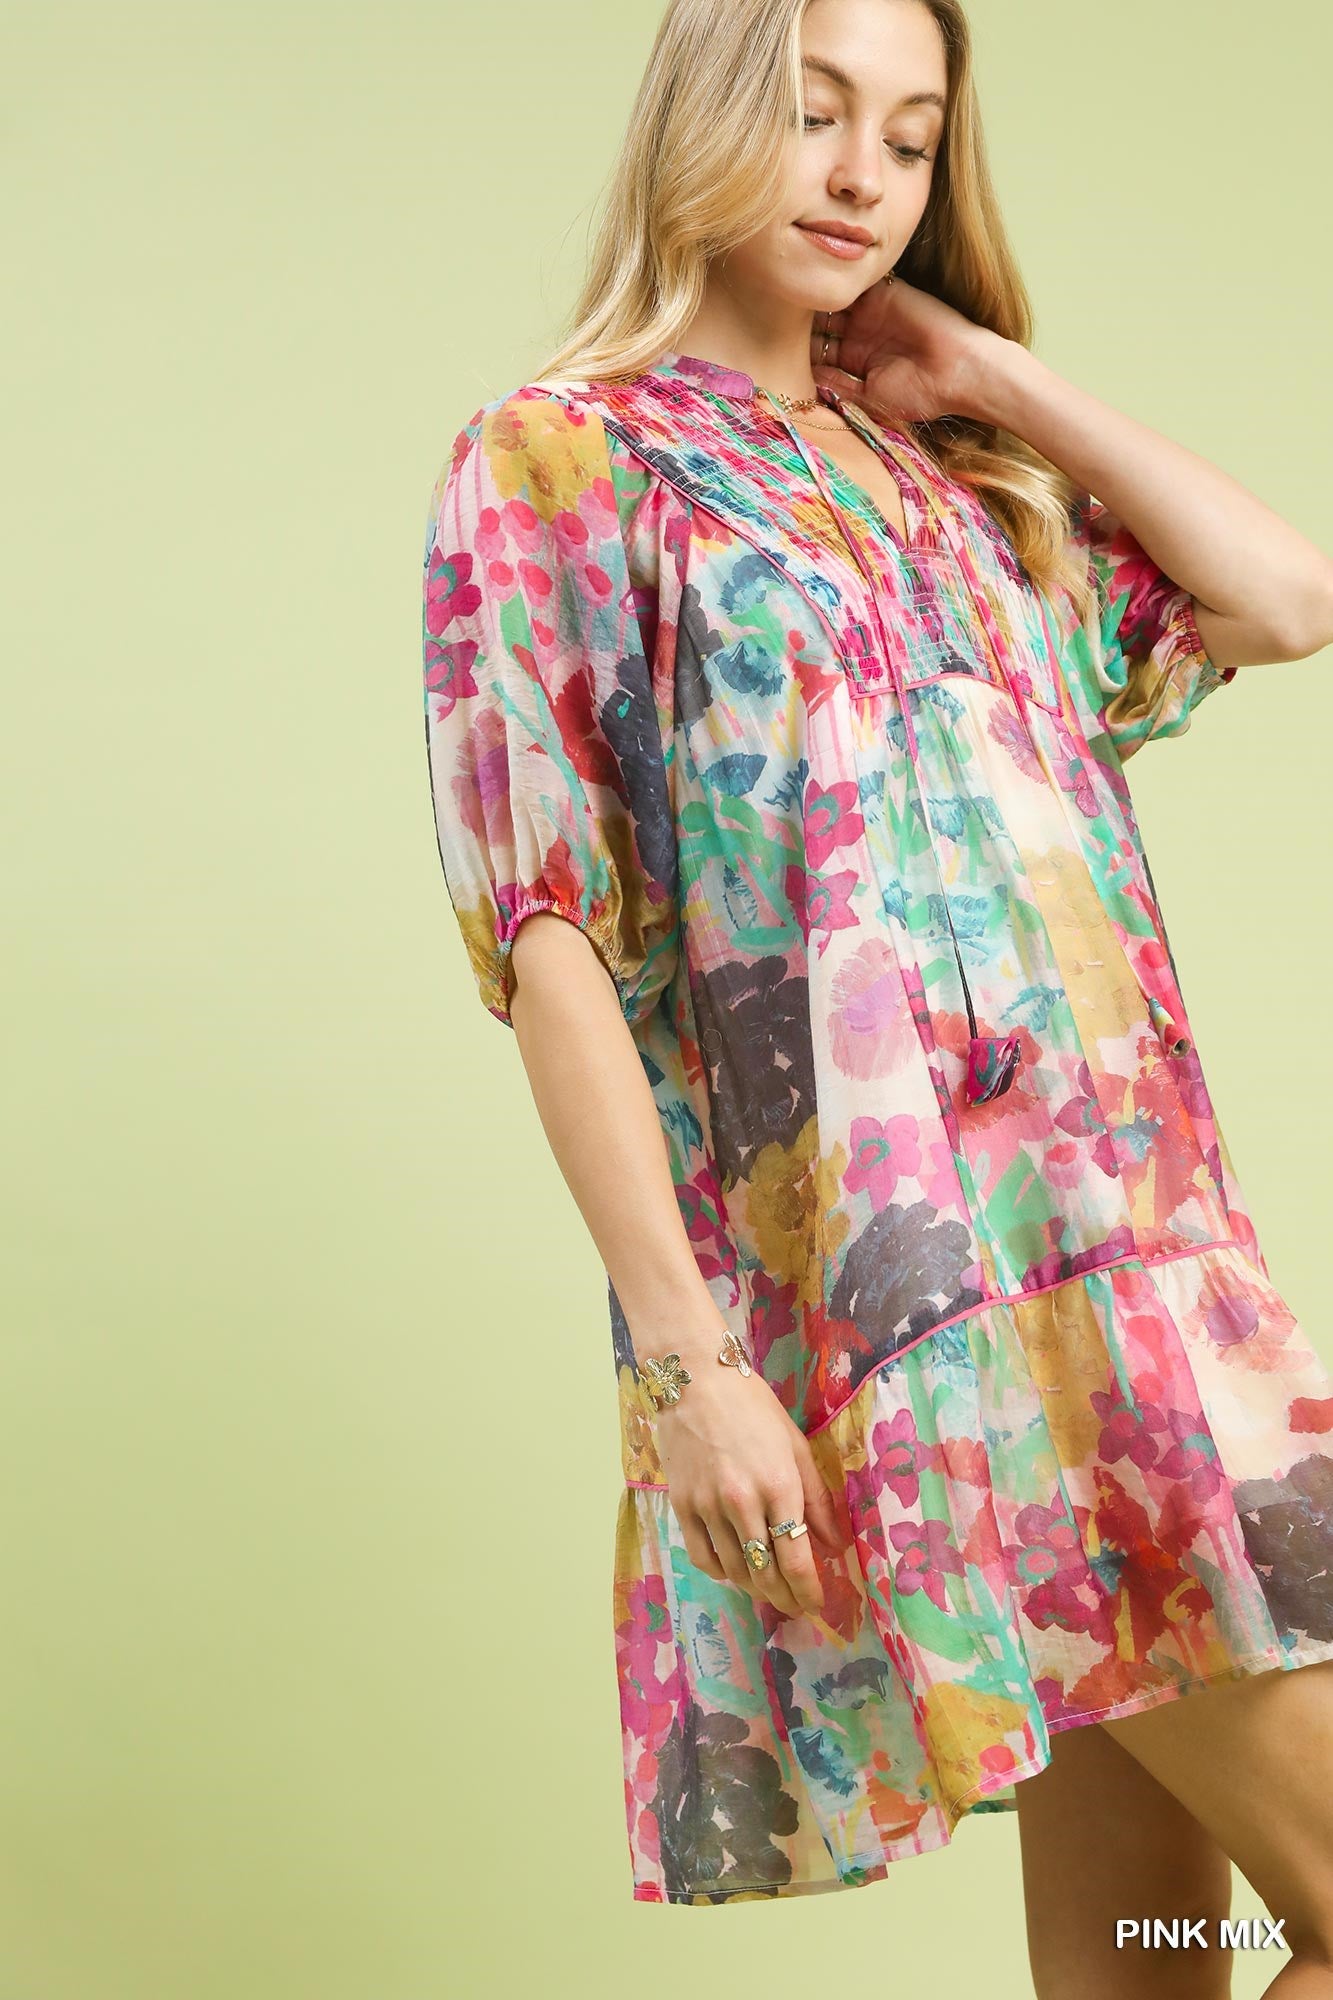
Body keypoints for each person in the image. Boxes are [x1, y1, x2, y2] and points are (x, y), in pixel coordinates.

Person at [422, 0, 1333, 1979]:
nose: (857, 173)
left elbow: (1283, 595)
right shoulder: (566, 462)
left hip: (1142, 1277)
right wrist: (689, 1362)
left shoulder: (957, 476)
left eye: (908, 139)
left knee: (1145, 1966)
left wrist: (983, 366)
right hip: (924, 1328)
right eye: (813, 110)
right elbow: (547, 929)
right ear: (708, 109)